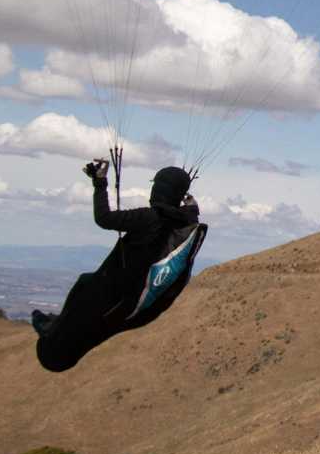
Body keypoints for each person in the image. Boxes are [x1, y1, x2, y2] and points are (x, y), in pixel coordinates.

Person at [32, 159, 201, 372]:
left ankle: (53, 343)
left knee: (82, 306)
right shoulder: (183, 221)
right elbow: (191, 213)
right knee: (85, 287)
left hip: (114, 291)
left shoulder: (149, 217)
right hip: (132, 299)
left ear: (158, 189)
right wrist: (191, 207)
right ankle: (55, 331)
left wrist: (100, 183)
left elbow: (103, 218)